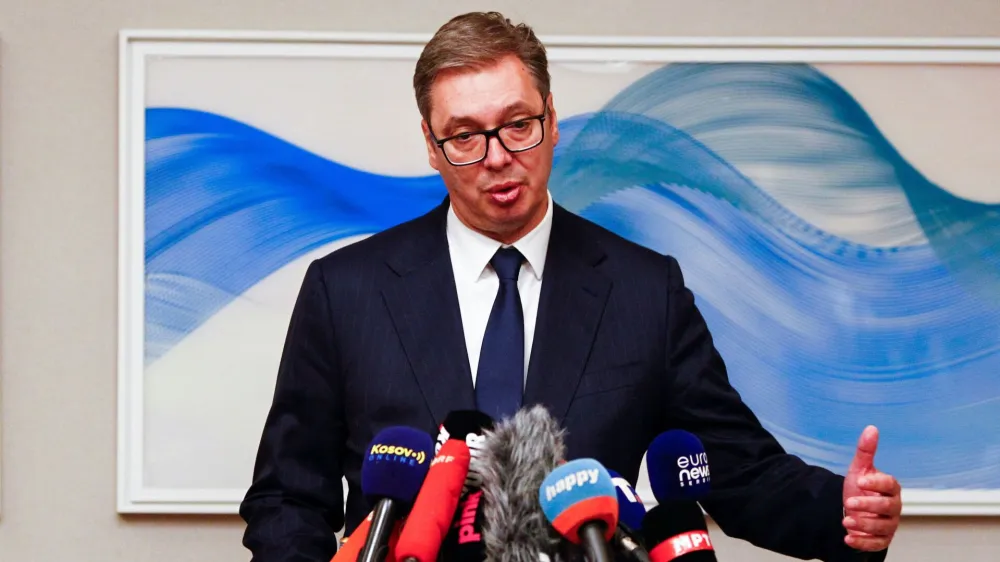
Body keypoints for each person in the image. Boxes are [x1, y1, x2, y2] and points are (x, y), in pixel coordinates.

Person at [239, 11, 902, 562]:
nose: (497, 156)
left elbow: (740, 472)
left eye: (517, 124)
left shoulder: (647, 291)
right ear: (431, 145)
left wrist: (844, 512)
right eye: (465, 136)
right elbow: (288, 498)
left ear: (552, 119)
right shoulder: (345, 290)